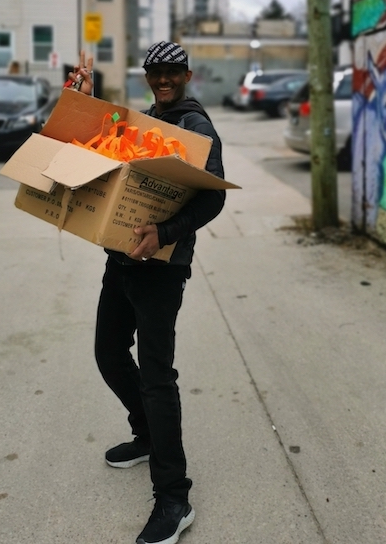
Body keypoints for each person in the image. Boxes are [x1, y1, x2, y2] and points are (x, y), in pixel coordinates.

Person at [70, 43, 226, 544]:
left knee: (158, 374)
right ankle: (146, 434)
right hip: (122, 259)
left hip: (161, 268)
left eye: (172, 72)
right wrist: (86, 104)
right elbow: (104, 150)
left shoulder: (196, 127)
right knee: (109, 352)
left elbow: (214, 195)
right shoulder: (149, 120)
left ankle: (174, 497)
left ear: (187, 74)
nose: (163, 79)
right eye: (155, 72)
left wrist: (167, 232)